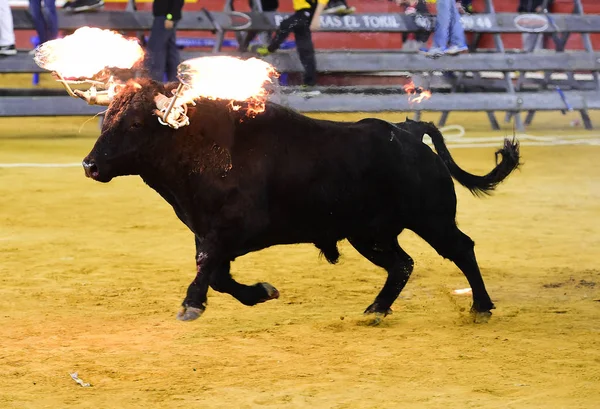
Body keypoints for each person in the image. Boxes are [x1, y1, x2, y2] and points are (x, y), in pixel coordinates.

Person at [256, 0, 327, 87]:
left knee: (286, 25)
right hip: (302, 13)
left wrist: (316, 17)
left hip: (306, 12)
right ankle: (310, 82)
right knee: (304, 48)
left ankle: (271, 48)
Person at [146, 0, 184, 82]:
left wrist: (170, 17)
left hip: (164, 19)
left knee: (155, 50)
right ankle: (175, 81)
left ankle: (154, 82)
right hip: (164, 18)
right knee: (170, 50)